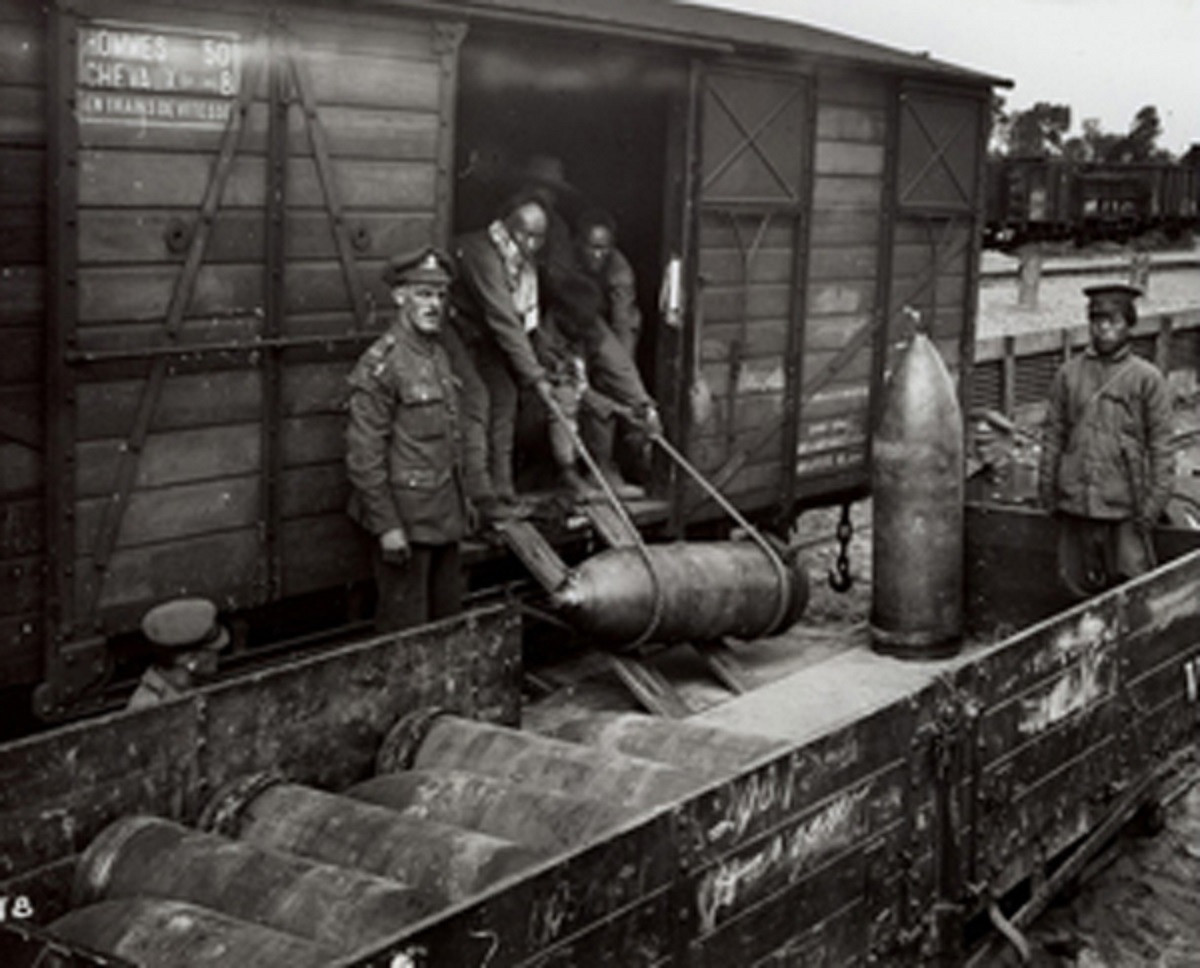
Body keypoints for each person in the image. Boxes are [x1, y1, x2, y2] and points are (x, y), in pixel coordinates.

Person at [345, 246, 467, 632]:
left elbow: (447, 438)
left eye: (440, 295)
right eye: (423, 294)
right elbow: (364, 455)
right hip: (406, 525)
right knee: (406, 635)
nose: (435, 304)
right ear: (400, 297)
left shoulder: (437, 355)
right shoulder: (382, 364)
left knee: (447, 626)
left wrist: (465, 504)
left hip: (444, 518)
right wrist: (387, 527)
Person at [1037, 283, 1173, 598]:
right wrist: (1047, 489)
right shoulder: (1069, 375)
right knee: (1074, 590)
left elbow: (1163, 448)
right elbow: (1054, 435)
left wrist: (1153, 506)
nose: (1104, 330)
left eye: (1113, 322)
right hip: (1075, 503)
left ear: (1129, 326)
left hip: (1125, 507)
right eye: (1097, 322)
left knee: (1132, 591)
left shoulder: (1147, 379)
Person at [449, 192, 556, 521]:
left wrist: (545, 367)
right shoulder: (482, 252)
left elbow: (527, 322)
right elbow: (504, 318)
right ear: (507, 227)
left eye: (539, 236)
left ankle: (504, 490)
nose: (532, 243)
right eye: (525, 233)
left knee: (506, 396)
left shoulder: (524, 264)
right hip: (450, 329)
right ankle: (480, 495)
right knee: (477, 398)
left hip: (483, 337)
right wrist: (535, 377)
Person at [575, 207, 643, 357]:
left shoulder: (620, 271)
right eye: (592, 247)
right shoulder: (568, 258)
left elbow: (622, 321)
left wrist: (624, 365)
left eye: (604, 248)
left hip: (604, 322)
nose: (598, 254)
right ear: (580, 243)